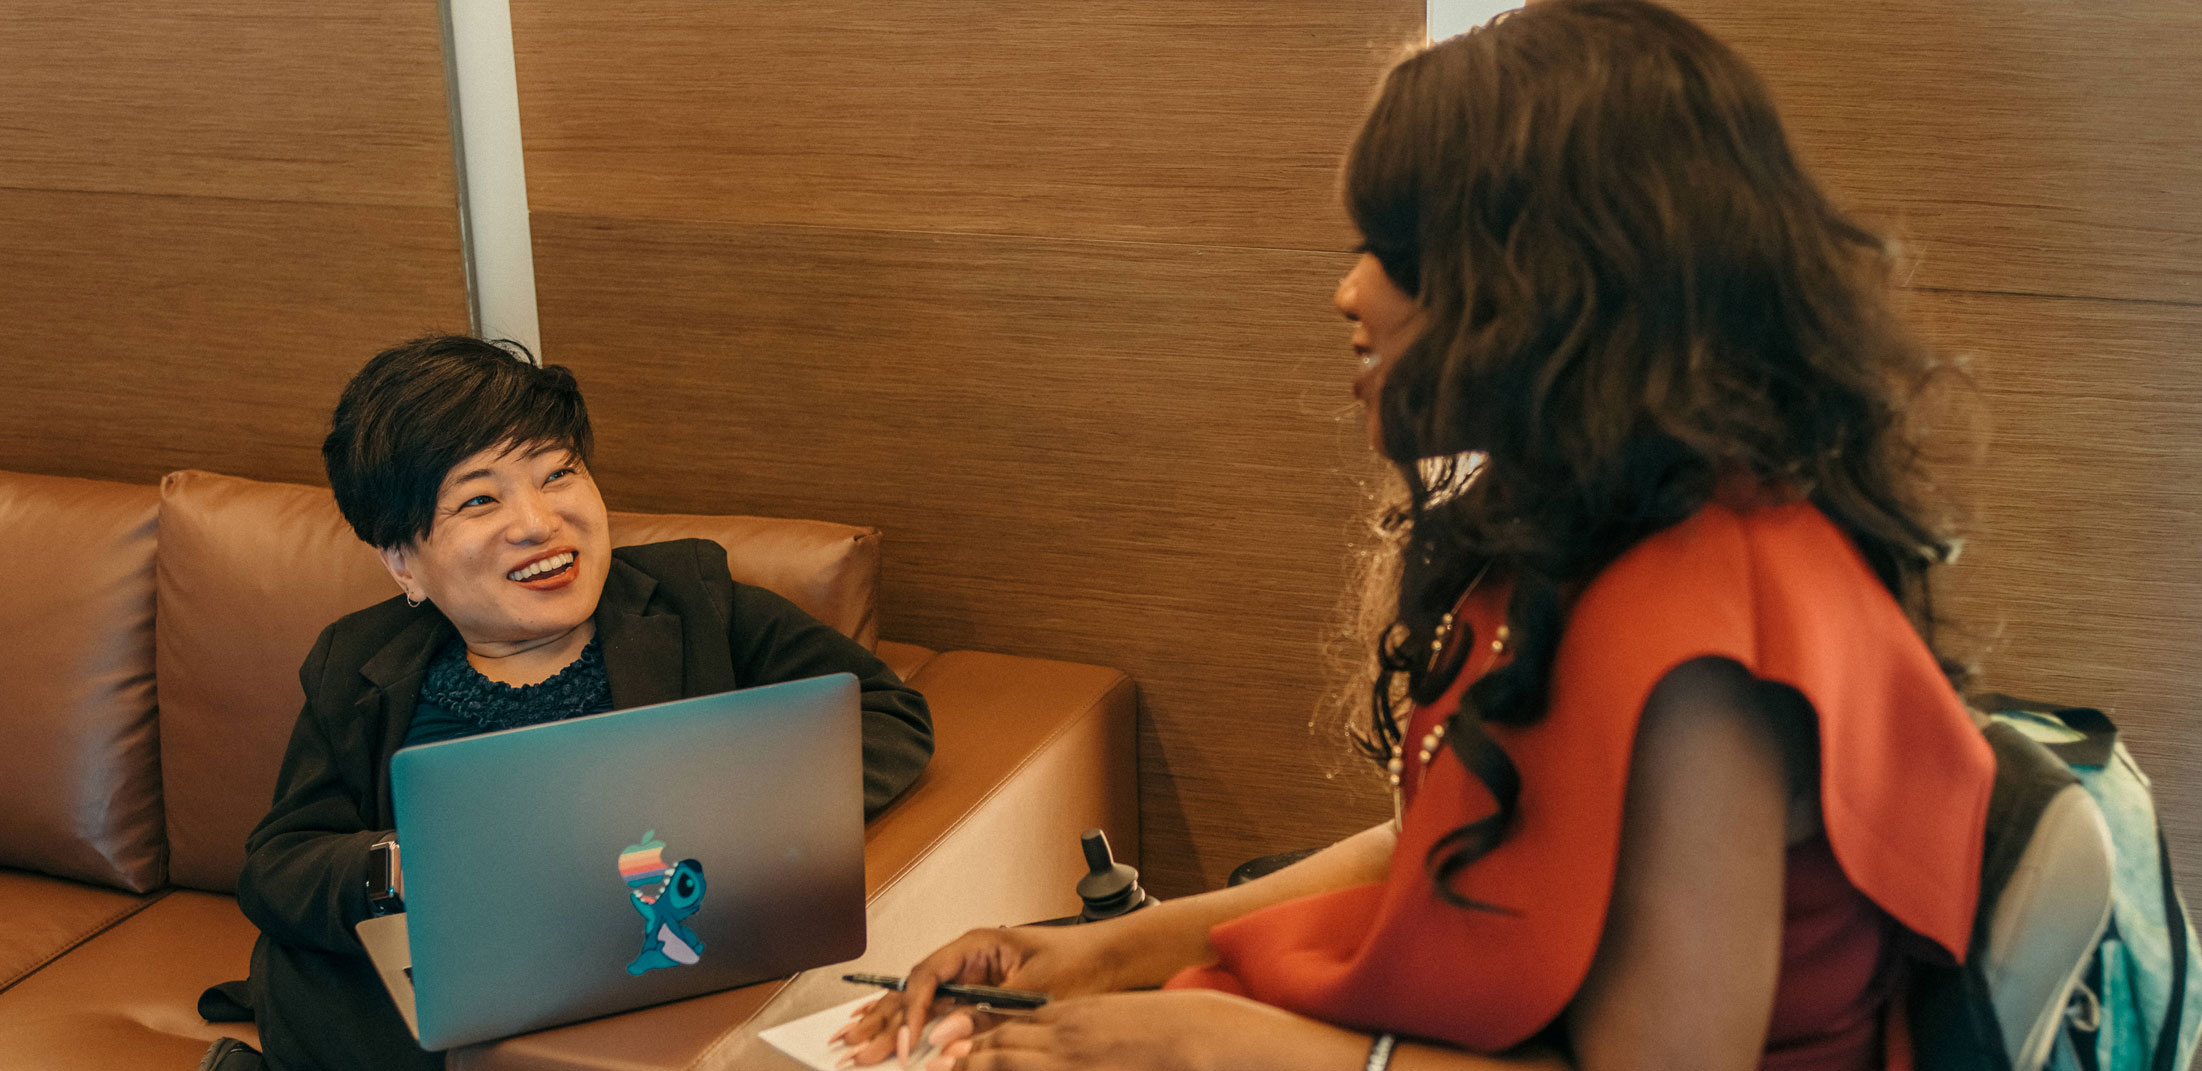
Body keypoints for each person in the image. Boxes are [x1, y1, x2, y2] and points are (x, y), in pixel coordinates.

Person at [839, 2, 1994, 1068]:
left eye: (1393, 251)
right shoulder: (1584, 527)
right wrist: (1102, 953)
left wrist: (1216, 1044)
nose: (1351, 293)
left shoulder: (1710, 637)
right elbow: (1454, 843)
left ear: (1543, 287)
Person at [218, 335, 935, 1071]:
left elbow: (886, 714)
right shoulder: (360, 664)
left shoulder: (696, 602)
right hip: (463, 983)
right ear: (403, 560)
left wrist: (713, 814)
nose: (537, 521)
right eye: (479, 498)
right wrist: (412, 864)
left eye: (557, 472)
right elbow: (279, 863)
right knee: (302, 965)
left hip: (654, 956)